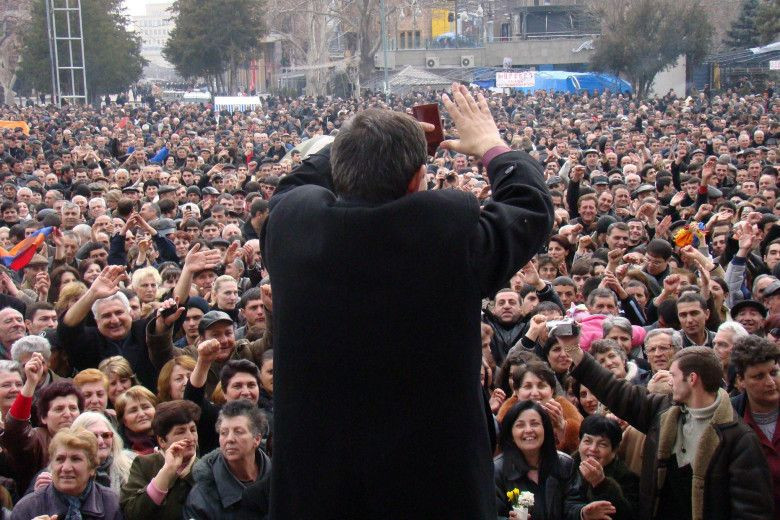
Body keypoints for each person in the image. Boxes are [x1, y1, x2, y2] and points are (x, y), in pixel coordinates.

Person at [263, 84, 554, 518]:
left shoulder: (290, 230)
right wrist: (491, 145)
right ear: (418, 179)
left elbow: (295, 184)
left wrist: (361, 144)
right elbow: (529, 206)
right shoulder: (449, 241)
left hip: (317, 490)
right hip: (432, 490)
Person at [566, 340, 774, 519]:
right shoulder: (663, 411)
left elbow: (751, 510)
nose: (668, 380)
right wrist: (573, 350)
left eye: (673, 375)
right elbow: (616, 391)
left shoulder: (738, 437)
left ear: (692, 379)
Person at [493, 400, 612, 520]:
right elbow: (490, 513)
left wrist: (583, 513)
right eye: (520, 425)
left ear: (545, 429)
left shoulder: (564, 463)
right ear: (511, 434)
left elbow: (572, 505)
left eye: (534, 424)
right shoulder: (497, 470)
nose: (528, 430)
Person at [0, 353, 83, 493]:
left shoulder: (92, 435)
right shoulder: (37, 439)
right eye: (59, 409)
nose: (67, 414)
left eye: (73, 408)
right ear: (43, 417)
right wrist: (30, 383)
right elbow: (15, 429)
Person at [183, 400, 271, 519]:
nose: (230, 439)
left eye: (238, 432)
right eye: (224, 433)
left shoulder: (279, 479)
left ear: (257, 439)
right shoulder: (202, 497)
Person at [10, 428, 122, 520]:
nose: (66, 468)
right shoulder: (27, 508)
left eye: (76, 459)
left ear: (92, 468)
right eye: (60, 459)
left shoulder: (110, 503)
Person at [121, 400, 200, 520]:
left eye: (193, 430)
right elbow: (132, 513)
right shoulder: (144, 464)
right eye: (181, 432)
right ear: (162, 441)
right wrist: (167, 471)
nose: (190, 438)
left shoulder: (208, 468)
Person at [729, 335, 780, 512]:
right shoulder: (729, 419)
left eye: (773, 373)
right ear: (741, 381)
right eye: (759, 376)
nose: (770, 382)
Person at [571, 415, 640, 520]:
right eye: (587, 441)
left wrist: (601, 484)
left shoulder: (628, 478)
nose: (593, 449)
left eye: (602, 444)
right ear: (579, 442)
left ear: (614, 450)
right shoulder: (566, 467)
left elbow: (628, 515)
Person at [114, 385, 157, 455]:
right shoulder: (118, 451)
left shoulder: (170, 438)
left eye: (146, 407)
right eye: (133, 411)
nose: (141, 414)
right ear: (123, 420)